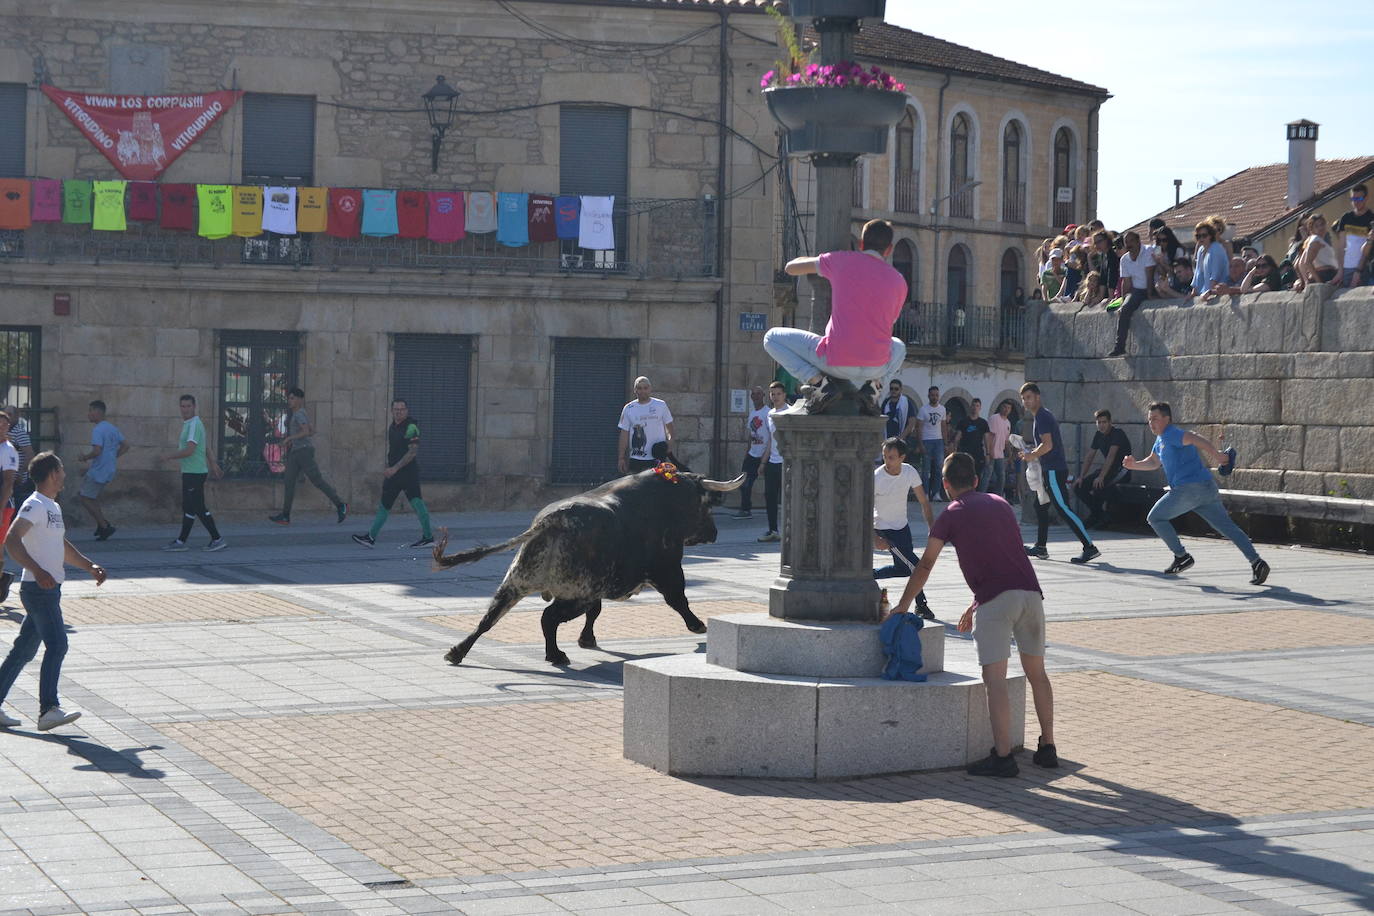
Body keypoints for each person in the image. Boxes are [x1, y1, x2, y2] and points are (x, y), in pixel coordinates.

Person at [892, 452, 1058, 778]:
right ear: (977, 480)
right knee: (1037, 673)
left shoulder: (950, 514)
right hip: (1030, 595)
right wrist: (975, 603)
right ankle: (1048, 747)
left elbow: (925, 564)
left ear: (946, 484)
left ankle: (1003, 756)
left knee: (994, 680)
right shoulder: (1000, 503)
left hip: (996, 603)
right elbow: (1003, 555)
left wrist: (903, 604)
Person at [0, 452, 106, 732]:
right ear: (52, 474)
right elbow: (12, 539)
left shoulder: (52, 507)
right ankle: (49, 709)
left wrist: (89, 566)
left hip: (47, 590)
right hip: (38, 589)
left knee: (22, 651)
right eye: (61, 469)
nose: (65, 475)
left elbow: (61, 546)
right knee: (58, 645)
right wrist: (37, 570)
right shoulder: (35, 505)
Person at [764, 219, 908, 414]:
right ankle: (874, 387)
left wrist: (822, 260)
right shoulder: (899, 281)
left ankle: (819, 384)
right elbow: (889, 323)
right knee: (899, 346)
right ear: (889, 249)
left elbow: (791, 268)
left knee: (771, 338)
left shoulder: (841, 260)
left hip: (835, 361)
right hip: (876, 366)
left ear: (861, 244)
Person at [1123, 403, 1269, 584]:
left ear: (1167, 419)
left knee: (1156, 518)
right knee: (1227, 527)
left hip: (1188, 489)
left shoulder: (1171, 433)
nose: (1151, 423)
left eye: (1155, 419)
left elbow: (1193, 437)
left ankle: (1181, 556)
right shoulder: (1161, 440)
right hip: (1205, 488)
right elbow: (1153, 462)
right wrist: (1133, 465)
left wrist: (1216, 455)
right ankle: (1257, 562)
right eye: (1149, 419)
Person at [1019, 383, 1098, 564]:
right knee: (1041, 506)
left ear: (1037, 397)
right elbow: (1045, 444)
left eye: (1029, 397)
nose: (1026, 401)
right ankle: (1041, 546)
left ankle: (1090, 547)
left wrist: (1031, 455)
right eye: (1023, 398)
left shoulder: (1042, 417)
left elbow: (1048, 445)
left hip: (1053, 470)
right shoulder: (1041, 416)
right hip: (1050, 468)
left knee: (1063, 508)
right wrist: (1031, 451)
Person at [352, 398, 435, 548]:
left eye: (402, 409)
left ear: (407, 411)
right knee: (384, 504)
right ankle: (370, 538)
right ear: (391, 411)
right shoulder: (393, 427)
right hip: (394, 474)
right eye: (396, 409)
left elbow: (412, 453)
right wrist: (390, 466)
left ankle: (428, 537)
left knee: (417, 503)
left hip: (408, 473)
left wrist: (394, 468)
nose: (399, 412)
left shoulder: (411, 427)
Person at [872, 437, 934, 618]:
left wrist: (932, 527)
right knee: (915, 567)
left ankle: (865, 576)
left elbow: (924, 501)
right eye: (884, 456)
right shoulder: (877, 477)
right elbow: (864, 509)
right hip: (884, 529)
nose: (887, 461)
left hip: (902, 528)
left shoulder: (909, 472)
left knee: (903, 568)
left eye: (891, 457)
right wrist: (875, 537)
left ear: (902, 457)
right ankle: (921, 605)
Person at [268, 387, 348, 526]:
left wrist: (289, 439)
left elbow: (306, 432)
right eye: (289, 398)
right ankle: (285, 516)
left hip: (303, 452)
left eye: (292, 398)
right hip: (296, 452)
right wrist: (296, 438)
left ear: (299, 400)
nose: (289, 400)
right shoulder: (300, 413)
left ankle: (341, 505)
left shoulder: (299, 414)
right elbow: (312, 431)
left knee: (317, 481)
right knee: (289, 481)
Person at [160, 395, 226, 552]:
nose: (185, 409)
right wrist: (213, 463)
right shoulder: (189, 424)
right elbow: (206, 446)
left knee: (198, 507)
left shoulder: (194, 424)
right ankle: (181, 541)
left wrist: (169, 456)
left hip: (195, 473)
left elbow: (190, 450)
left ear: (194, 406)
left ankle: (217, 538)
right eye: (182, 406)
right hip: (190, 472)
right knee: (189, 508)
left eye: (188, 406)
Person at [77, 400, 128, 540]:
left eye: (90, 411)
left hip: (98, 470)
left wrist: (85, 458)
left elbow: (97, 450)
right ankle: (102, 524)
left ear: (97, 412)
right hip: (108, 469)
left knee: (84, 497)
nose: (88, 414)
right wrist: (112, 457)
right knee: (91, 497)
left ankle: (105, 526)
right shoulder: (112, 428)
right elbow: (125, 446)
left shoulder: (98, 429)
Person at [1074, 409, 1131, 528]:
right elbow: (1090, 456)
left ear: (1110, 422)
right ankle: (1099, 514)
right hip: (1108, 470)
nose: (1101, 425)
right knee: (1079, 487)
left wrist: (1101, 477)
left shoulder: (1118, 433)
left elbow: (1111, 456)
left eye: (1104, 422)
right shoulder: (1098, 435)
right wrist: (1081, 477)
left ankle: (1101, 517)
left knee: (1099, 486)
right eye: (1099, 422)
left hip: (1122, 470)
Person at [1108, 231, 1153, 357]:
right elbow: (1126, 282)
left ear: (1138, 241)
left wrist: (1150, 295)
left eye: (1131, 241)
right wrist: (1123, 299)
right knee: (1125, 310)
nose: (1128, 244)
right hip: (1136, 290)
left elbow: (1150, 275)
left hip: (1150, 287)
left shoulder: (1147, 252)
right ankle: (1119, 346)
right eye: (1126, 242)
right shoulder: (1124, 259)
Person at [756, 381, 787, 543]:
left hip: (787, 462)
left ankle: (790, 530)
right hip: (773, 462)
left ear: (784, 395)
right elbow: (770, 440)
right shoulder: (770, 414)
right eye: (772, 394)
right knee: (770, 496)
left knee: (788, 498)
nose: (775, 397)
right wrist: (763, 462)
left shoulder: (791, 412)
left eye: (778, 394)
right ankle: (773, 530)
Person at [734, 386, 769, 519]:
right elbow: (751, 434)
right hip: (752, 453)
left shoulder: (768, 413)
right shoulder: (753, 414)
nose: (756, 397)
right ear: (751, 397)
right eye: (754, 394)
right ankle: (745, 509)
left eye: (759, 394)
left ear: (763, 395)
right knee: (744, 483)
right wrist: (748, 451)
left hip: (765, 454)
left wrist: (767, 455)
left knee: (771, 485)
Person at [1333, 184, 1372, 287]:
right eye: (1353, 199)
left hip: (1364, 268)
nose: (1356, 202)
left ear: (1366, 198)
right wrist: (1340, 270)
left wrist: (1358, 270)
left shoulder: (1371, 219)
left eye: (1359, 198)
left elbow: (1368, 249)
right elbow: (1341, 247)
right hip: (1347, 267)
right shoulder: (1346, 218)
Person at [915, 386, 948, 501]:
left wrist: (946, 443)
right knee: (926, 470)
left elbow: (944, 427)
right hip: (926, 441)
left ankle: (936, 493)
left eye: (936, 395)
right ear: (928, 396)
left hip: (938, 441)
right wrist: (920, 444)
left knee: (939, 469)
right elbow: (918, 427)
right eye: (932, 395)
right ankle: (925, 493)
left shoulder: (942, 409)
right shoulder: (923, 410)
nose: (934, 397)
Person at [1294, 212, 1340, 290]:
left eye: (1322, 224)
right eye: (1316, 226)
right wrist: (1319, 282)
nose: (1320, 228)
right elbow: (1307, 262)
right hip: (1326, 274)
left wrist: (1305, 281)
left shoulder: (1311, 240)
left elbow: (1299, 264)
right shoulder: (1316, 240)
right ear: (1311, 229)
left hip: (1323, 274)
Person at [955, 398, 993, 486]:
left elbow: (986, 439)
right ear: (970, 407)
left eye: (977, 406)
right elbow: (958, 437)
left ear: (980, 408)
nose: (975, 408)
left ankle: (976, 494)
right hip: (965, 452)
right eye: (973, 405)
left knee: (977, 475)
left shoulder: (983, 423)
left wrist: (987, 454)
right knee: (964, 474)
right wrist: (955, 450)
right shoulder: (963, 422)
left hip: (978, 453)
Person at [2, 407, 34, 508]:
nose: (7, 417)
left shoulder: (19, 432)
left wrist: (20, 473)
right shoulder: (6, 432)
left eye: (10, 414)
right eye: (6, 414)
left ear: (17, 416)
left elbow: (29, 455)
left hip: (15, 480)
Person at [0, 414, 16, 604]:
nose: (1, 427)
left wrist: (1, 508)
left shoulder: (8, 450)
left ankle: (2, 579)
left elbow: (8, 483)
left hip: (3, 505)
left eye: (4, 425)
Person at [1190, 221, 1230, 296]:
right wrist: (1193, 292)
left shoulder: (1216, 248)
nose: (1201, 238)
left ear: (1211, 235)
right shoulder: (1201, 250)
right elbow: (1198, 274)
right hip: (1205, 291)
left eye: (1204, 235)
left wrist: (1209, 292)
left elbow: (1215, 274)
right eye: (1198, 236)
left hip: (1219, 291)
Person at [983, 399, 1013, 496]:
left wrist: (1010, 454)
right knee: (987, 475)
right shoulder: (994, 418)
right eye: (1005, 407)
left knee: (1001, 477)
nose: (1006, 409)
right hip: (991, 452)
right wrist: (989, 451)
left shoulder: (1008, 423)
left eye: (1008, 408)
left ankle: (998, 497)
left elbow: (1006, 440)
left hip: (1000, 454)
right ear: (1001, 407)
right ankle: (981, 496)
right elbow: (989, 435)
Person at [881, 379, 916, 445]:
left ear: (900, 390)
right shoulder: (886, 403)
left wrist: (900, 438)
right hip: (887, 439)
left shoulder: (906, 403)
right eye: (891, 388)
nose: (893, 391)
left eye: (896, 389)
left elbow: (912, 422)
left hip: (902, 440)